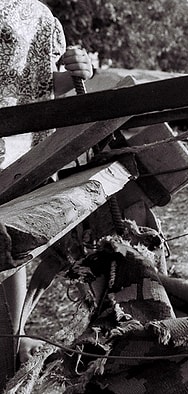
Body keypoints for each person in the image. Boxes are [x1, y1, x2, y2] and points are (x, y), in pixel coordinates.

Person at [1, 0, 94, 364]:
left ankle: (13, 340)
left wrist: (77, 71)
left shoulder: (38, 15)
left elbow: (43, 84)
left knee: (9, 242)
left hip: (15, 143)